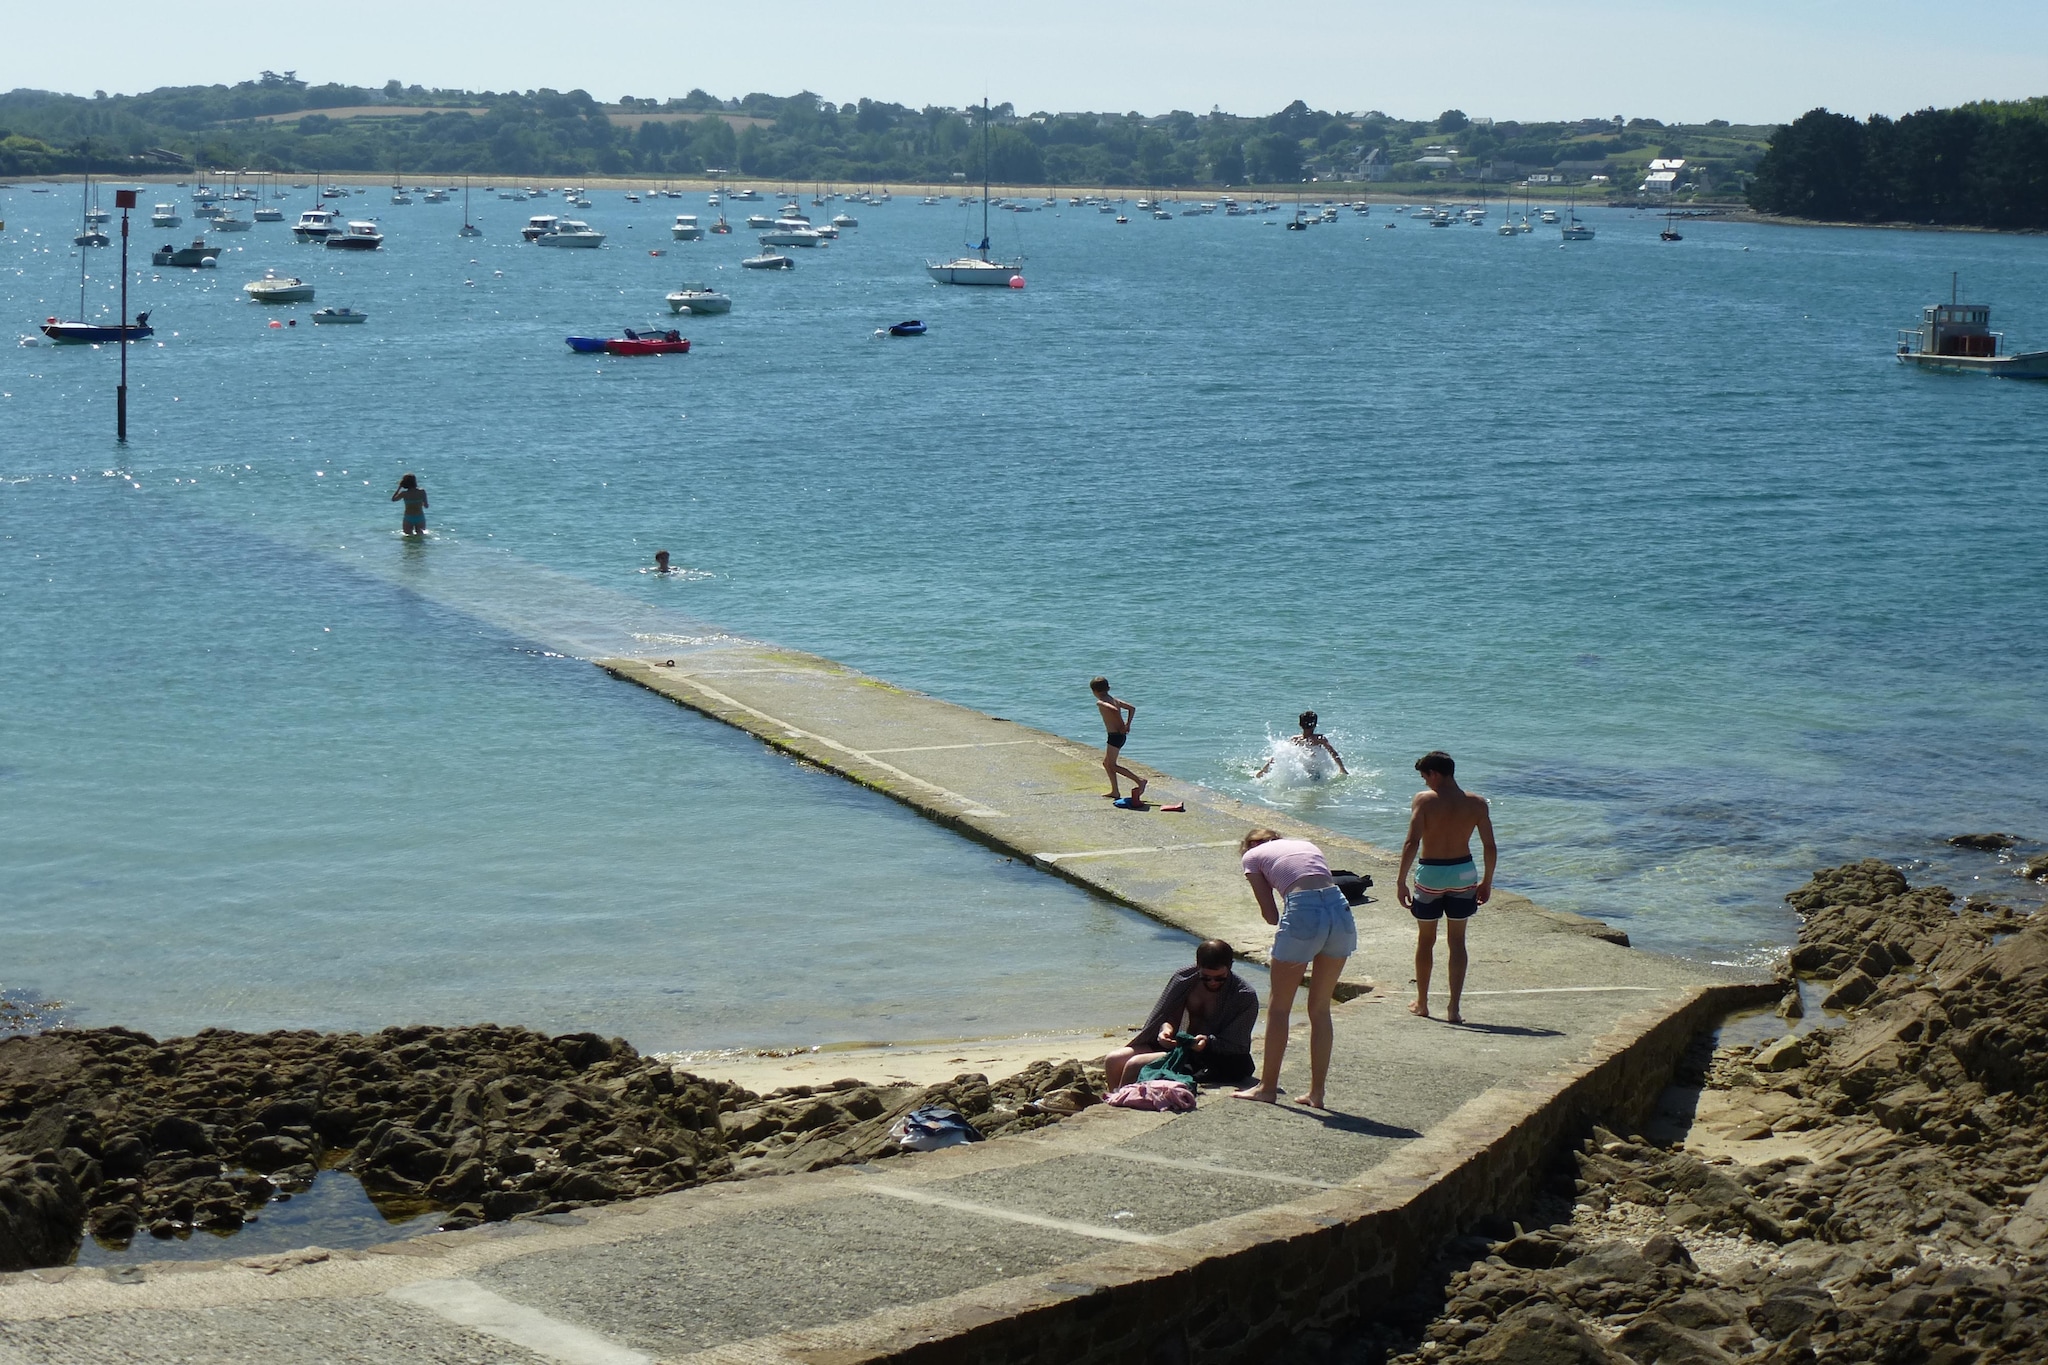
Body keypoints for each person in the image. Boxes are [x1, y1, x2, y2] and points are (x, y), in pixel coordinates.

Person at [1233, 828, 1355, 1108]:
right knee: (1320, 1008)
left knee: (1279, 1008)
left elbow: (1270, 915)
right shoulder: (1305, 843)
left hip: (1304, 910)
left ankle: (1267, 1088)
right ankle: (1317, 1093)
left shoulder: (1251, 857)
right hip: (1340, 908)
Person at [1396, 750, 1498, 1025]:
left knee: (1426, 940)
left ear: (1435, 774)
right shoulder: (1477, 803)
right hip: (1464, 873)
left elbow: (1411, 843)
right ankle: (1453, 1009)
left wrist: (1401, 880)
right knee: (1457, 942)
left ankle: (1423, 1003)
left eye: (1425, 776)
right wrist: (1487, 882)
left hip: (1432, 873)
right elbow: (1490, 846)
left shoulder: (1425, 800)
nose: (1425, 782)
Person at [1104, 939, 1260, 1090]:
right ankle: (1115, 1100)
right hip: (1183, 1045)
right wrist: (1166, 1030)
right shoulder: (1185, 979)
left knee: (1135, 1064)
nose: (1213, 982)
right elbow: (1170, 1016)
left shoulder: (1244, 995)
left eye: (1220, 978)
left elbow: (1236, 1043)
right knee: (1113, 1060)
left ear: (1230, 966)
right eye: (1206, 977)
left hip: (1214, 1055)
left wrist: (1206, 1042)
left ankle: (1123, 1102)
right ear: (1198, 966)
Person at [1091, 676, 1145, 801]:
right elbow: (1132, 708)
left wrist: (1122, 725)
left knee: (1112, 765)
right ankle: (1115, 791)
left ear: (1094, 691)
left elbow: (1115, 711)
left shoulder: (1101, 702)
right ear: (1108, 688)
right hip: (1117, 736)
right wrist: (1127, 725)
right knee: (1107, 763)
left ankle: (1140, 781)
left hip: (1115, 736)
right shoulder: (1113, 699)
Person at [1255, 710, 1349, 778]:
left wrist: (1264, 770)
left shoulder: (1295, 739)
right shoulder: (1319, 739)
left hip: (1301, 772)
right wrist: (1341, 768)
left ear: (1300, 724)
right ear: (1315, 725)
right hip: (1317, 771)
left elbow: (1278, 756)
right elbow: (1333, 752)